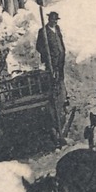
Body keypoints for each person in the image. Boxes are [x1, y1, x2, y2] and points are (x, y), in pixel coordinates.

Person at [36, 11, 67, 144]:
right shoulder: (43, 31)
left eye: (56, 20)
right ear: (49, 19)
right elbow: (39, 46)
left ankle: (62, 101)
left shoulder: (57, 29)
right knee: (53, 84)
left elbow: (60, 41)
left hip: (60, 61)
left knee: (60, 81)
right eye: (53, 20)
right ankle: (55, 116)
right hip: (51, 62)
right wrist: (46, 54)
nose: (54, 22)